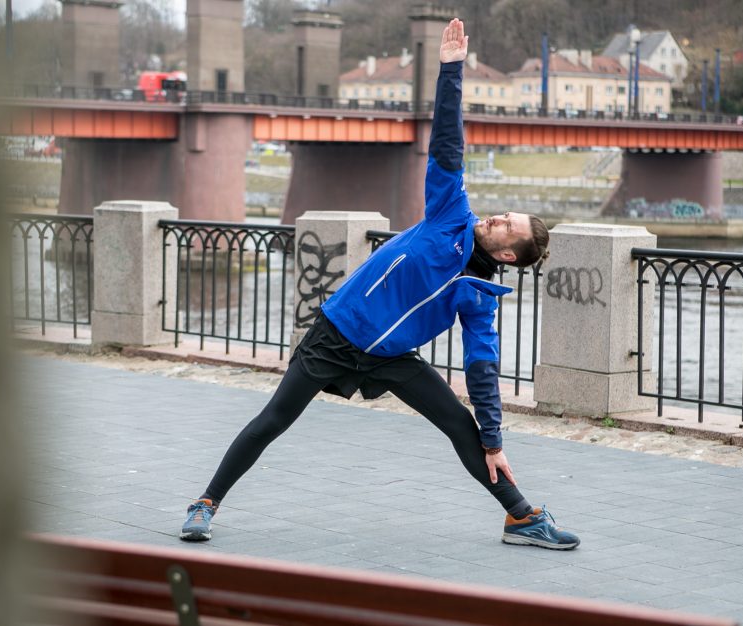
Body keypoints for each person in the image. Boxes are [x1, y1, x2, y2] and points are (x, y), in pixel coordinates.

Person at [181, 18, 579, 551]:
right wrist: (450, 71)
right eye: (506, 212)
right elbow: (447, 143)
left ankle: (521, 516)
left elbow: (481, 366)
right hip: (336, 334)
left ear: (508, 254)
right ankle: (205, 503)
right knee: (273, 419)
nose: (499, 216)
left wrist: (494, 438)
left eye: (508, 224)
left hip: (389, 357)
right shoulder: (449, 214)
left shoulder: (479, 296)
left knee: (464, 428)